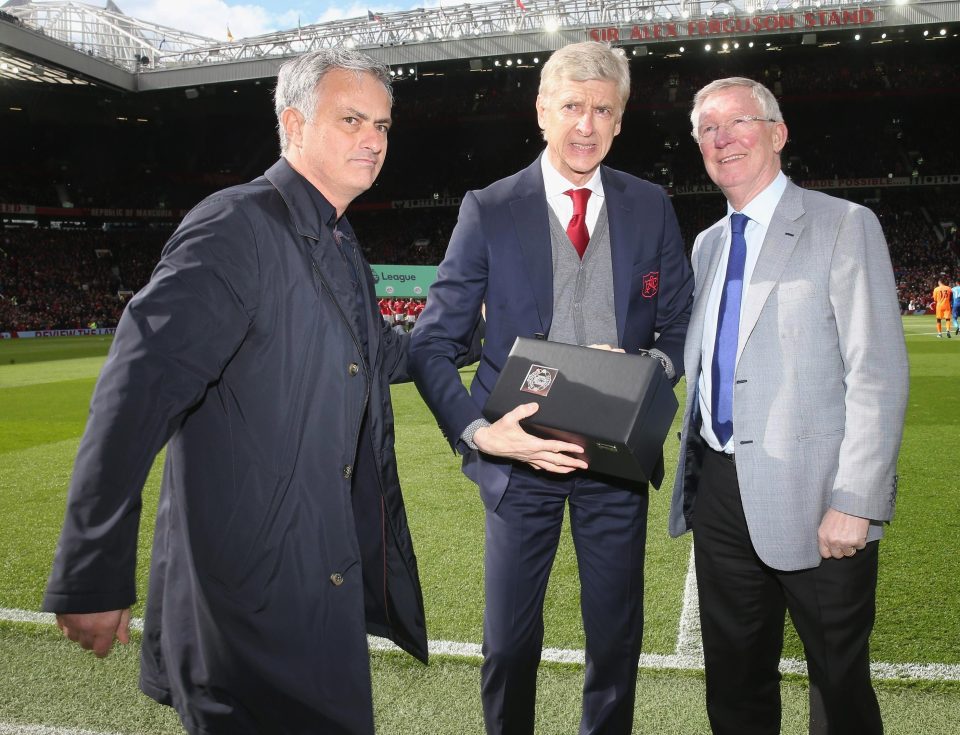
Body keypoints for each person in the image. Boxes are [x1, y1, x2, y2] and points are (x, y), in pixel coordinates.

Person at [43, 49, 429, 735]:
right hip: (244, 605)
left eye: (383, 124)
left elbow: (379, 353)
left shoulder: (342, 241)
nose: (373, 139)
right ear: (295, 122)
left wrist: (477, 336)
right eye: (351, 119)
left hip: (320, 583)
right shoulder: (235, 227)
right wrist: (92, 570)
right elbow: (136, 387)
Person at [409, 41, 693, 735]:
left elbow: (683, 327)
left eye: (602, 109)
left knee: (616, 643)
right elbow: (429, 344)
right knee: (507, 645)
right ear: (542, 111)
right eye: (572, 106)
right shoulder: (490, 208)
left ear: (620, 118)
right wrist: (480, 433)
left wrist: (642, 369)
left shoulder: (651, 206)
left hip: (614, 463)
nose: (586, 125)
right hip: (519, 461)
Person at [668, 77, 909, 735]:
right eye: (707, 130)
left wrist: (856, 498)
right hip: (719, 491)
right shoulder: (708, 245)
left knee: (838, 680)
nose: (722, 139)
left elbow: (878, 373)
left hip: (818, 497)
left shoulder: (844, 224)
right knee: (735, 678)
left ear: (777, 132)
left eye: (737, 122)